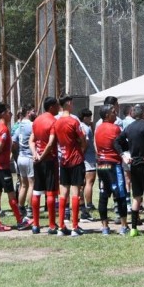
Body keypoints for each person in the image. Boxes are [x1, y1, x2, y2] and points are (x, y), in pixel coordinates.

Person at [116, 103, 144, 238]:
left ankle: (133, 228)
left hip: (134, 164)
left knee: (136, 196)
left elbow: (117, 142)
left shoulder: (129, 127)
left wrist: (124, 155)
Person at [0, 102, 28, 231]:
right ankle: (20, 221)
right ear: (3, 114)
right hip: (1, 167)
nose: (11, 114)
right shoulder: (3, 129)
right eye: (9, 112)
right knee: (11, 194)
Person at [54, 95, 86, 237]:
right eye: (71, 103)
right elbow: (82, 138)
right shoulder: (74, 121)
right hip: (75, 160)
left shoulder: (57, 122)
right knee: (75, 193)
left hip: (63, 160)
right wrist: (82, 148)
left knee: (63, 193)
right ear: (67, 104)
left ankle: (61, 226)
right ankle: (74, 226)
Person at [95, 104, 129, 235]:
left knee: (103, 194)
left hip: (102, 164)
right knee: (120, 195)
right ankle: (124, 226)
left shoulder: (98, 129)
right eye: (113, 112)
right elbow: (122, 144)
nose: (116, 114)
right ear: (107, 115)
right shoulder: (115, 128)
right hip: (114, 165)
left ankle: (105, 227)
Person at [31, 97, 60, 235]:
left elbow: (31, 140)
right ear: (51, 107)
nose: (58, 108)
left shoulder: (36, 120)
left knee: (37, 191)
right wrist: (42, 156)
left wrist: (35, 153)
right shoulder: (53, 121)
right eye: (57, 106)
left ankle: (35, 225)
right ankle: (52, 225)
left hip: (37, 161)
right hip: (49, 160)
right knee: (50, 193)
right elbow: (50, 143)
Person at [13, 108, 35, 221]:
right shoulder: (32, 125)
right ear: (28, 113)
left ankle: (20, 207)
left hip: (20, 157)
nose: (34, 113)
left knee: (23, 185)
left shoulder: (19, 125)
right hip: (29, 157)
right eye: (33, 111)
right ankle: (30, 209)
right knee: (31, 184)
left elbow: (14, 141)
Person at [78, 108, 97, 220]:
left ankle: (83, 205)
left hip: (82, 159)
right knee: (89, 183)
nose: (90, 119)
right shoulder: (86, 128)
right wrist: (82, 153)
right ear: (85, 117)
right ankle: (88, 204)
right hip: (88, 159)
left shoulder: (79, 126)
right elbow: (85, 143)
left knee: (82, 184)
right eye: (89, 117)